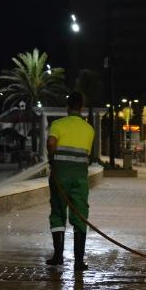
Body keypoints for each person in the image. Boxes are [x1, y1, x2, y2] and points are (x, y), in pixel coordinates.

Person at [46, 92, 95, 270]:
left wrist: (52, 159)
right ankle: (79, 262)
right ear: (81, 108)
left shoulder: (57, 124)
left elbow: (51, 143)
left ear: (67, 107)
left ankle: (58, 256)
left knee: (58, 214)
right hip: (80, 179)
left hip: (60, 177)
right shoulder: (89, 129)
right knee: (80, 215)